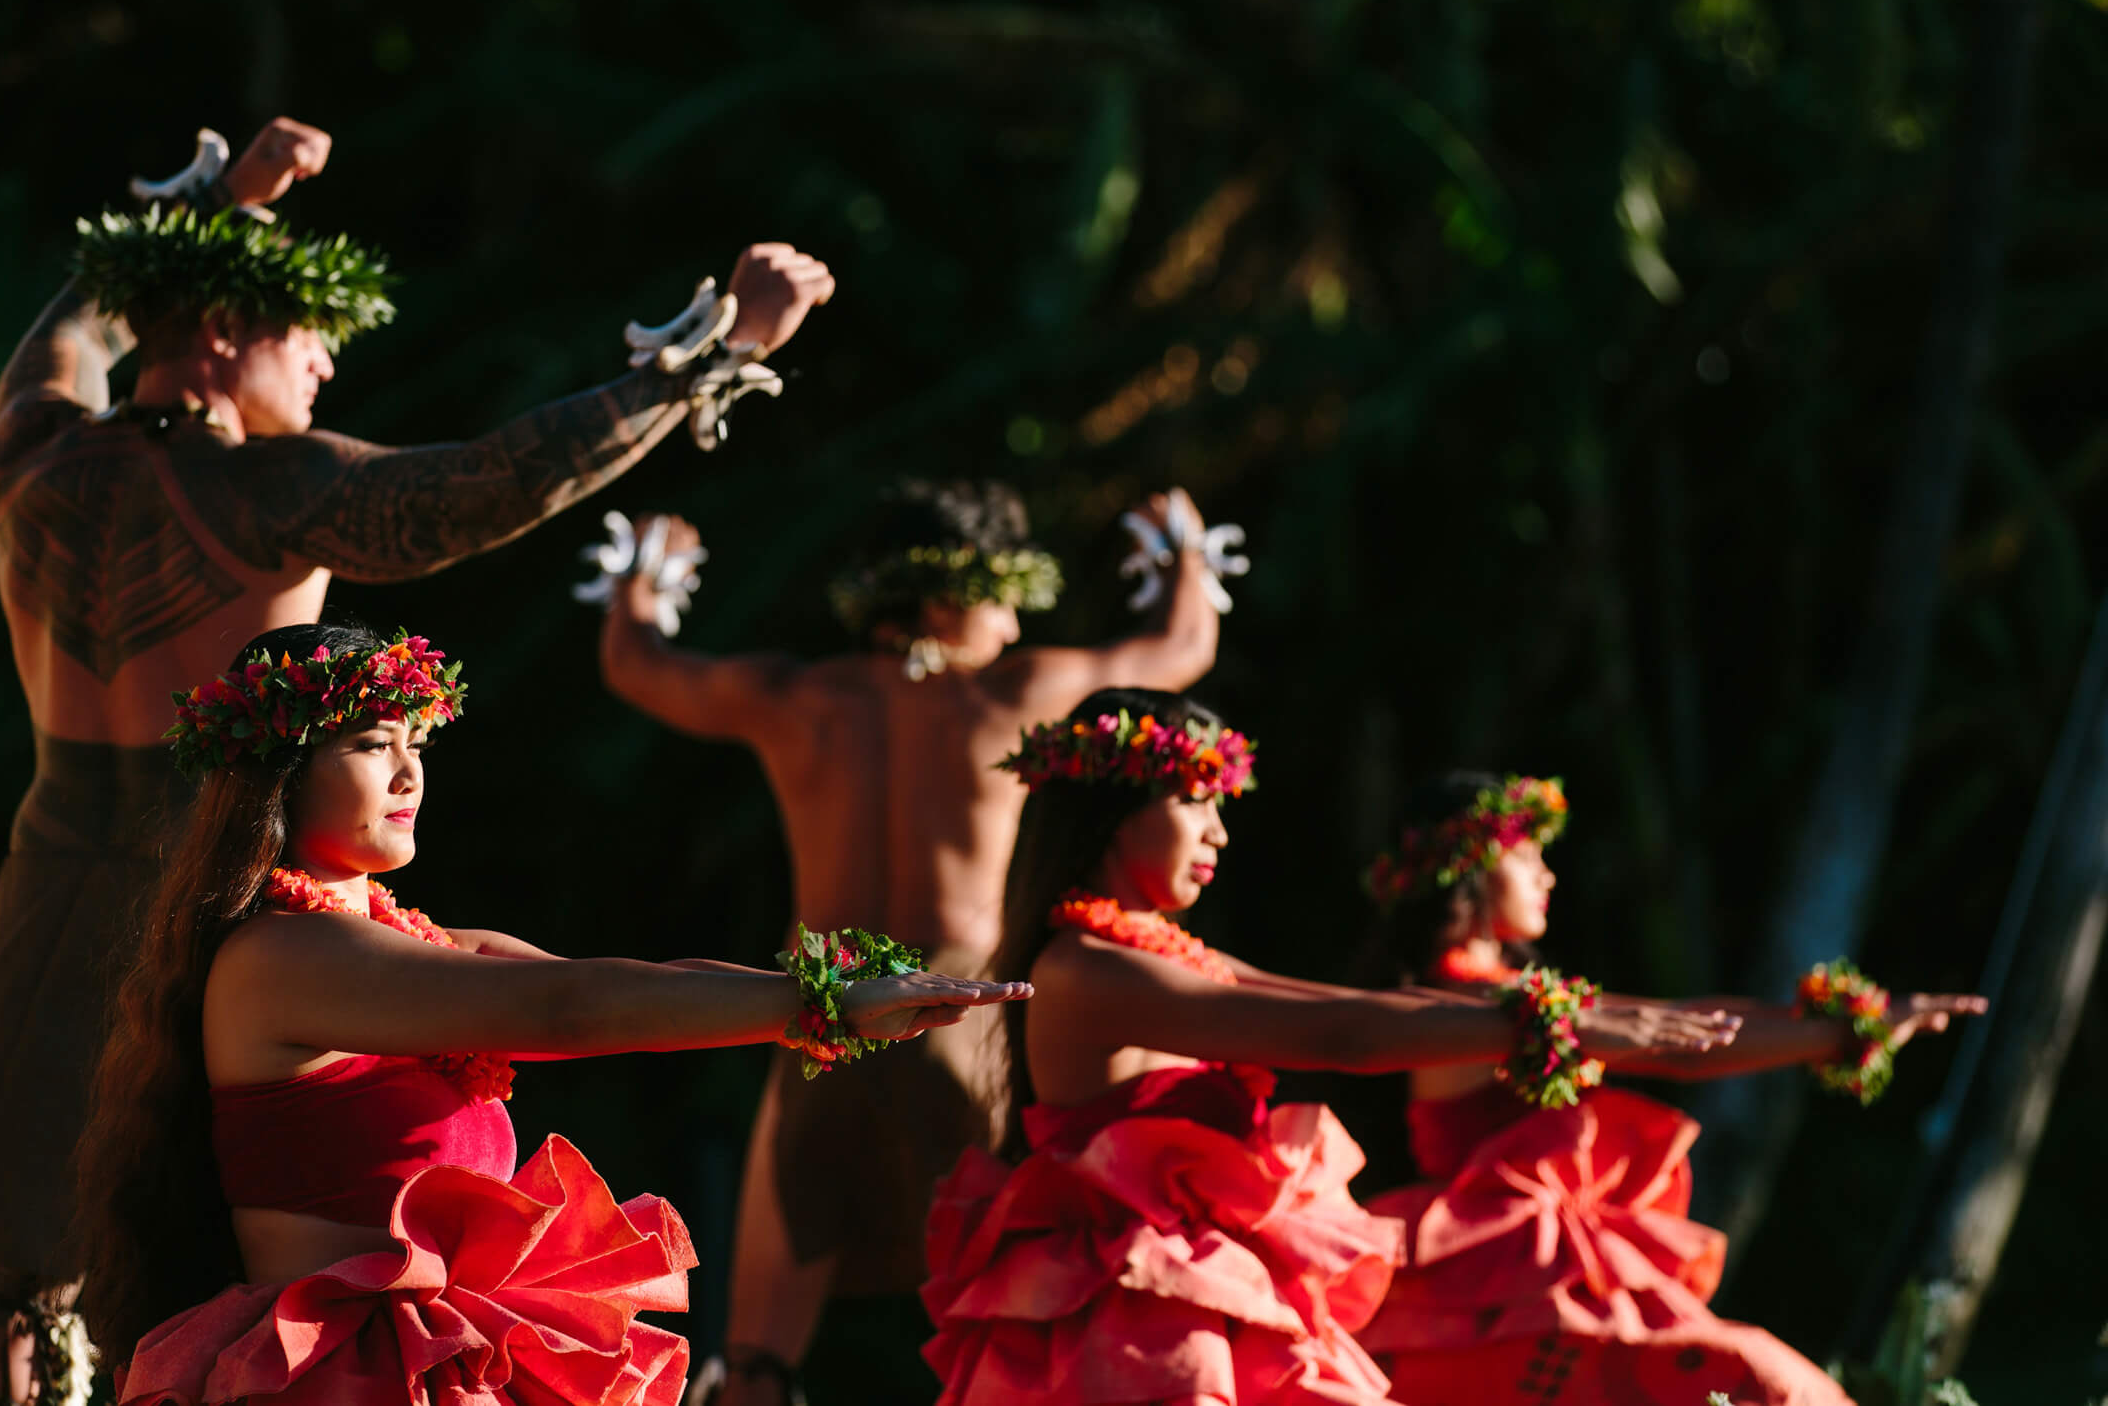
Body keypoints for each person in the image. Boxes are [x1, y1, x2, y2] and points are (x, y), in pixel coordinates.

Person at [0, 115, 833, 1404]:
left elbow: (78, 324)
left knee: (8, 1284)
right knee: (185, 1308)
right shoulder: (266, 491)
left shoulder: (31, 448)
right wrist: (710, 356)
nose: (328, 362)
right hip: (212, 908)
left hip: (46, 894)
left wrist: (223, 203)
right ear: (226, 340)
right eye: (306, 336)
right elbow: (480, 486)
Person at [63, 622, 1028, 1406]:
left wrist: (832, 993)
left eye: (416, 746)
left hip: (442, 1362)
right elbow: (567, 1008)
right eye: (369, 746)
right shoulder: (283, 955)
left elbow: (624, 981)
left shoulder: (416, 943)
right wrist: (820, 1005)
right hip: (333, 1379)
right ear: (277, 773)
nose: (408, 776)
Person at [919, 692, 1741, 1405]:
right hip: (1132, 1318)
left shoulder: (1157, 953)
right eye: (1195, 802)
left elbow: (1355, 1004)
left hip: (1201, 1291)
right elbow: (1341, 1037)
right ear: (1109, 806)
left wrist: (1547, 1009)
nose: (1219, 834)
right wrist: (1546, 1023)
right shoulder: (1084, 968)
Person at [594, 482, 1223, 1404]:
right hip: (957, 1015)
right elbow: (1181, 646)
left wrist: (640, 580)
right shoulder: (1016, 691)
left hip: (819, 1011)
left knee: (759, 1355)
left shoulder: (795, 695)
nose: (1010, 625)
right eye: (1003, 596)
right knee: (1013, 1310)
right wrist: (1184, 553)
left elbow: (636, 663)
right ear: (943, 599)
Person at [1350, 772, 1986, 1406]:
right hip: (1502, 1279)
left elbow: (1673, 1022)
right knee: (1759, 1383)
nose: (1546, 874)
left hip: (1546, 1271)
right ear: (1475, 866)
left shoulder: (1500, 995)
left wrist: (1849, 1027)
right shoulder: (1468, 1003)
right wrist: (1840, 1036)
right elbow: (1672, 1045)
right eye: (1527, 854)